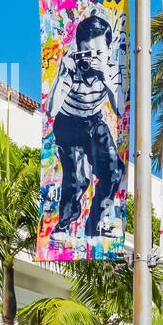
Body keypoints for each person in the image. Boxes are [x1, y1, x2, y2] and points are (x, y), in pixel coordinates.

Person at [47, 13, 126, 243]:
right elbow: (51, 111)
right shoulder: (72, 66)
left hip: (94, 121)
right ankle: (64, 223)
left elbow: (119, 110)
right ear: (78, 49)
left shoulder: (111, 69)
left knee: (114, 172)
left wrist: (106, 78)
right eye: (87, 53)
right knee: (77, 178)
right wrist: (63, 76)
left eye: (98, 53)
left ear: (109, 49)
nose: (91, 60)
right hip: (68, 123)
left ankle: (95, 223)